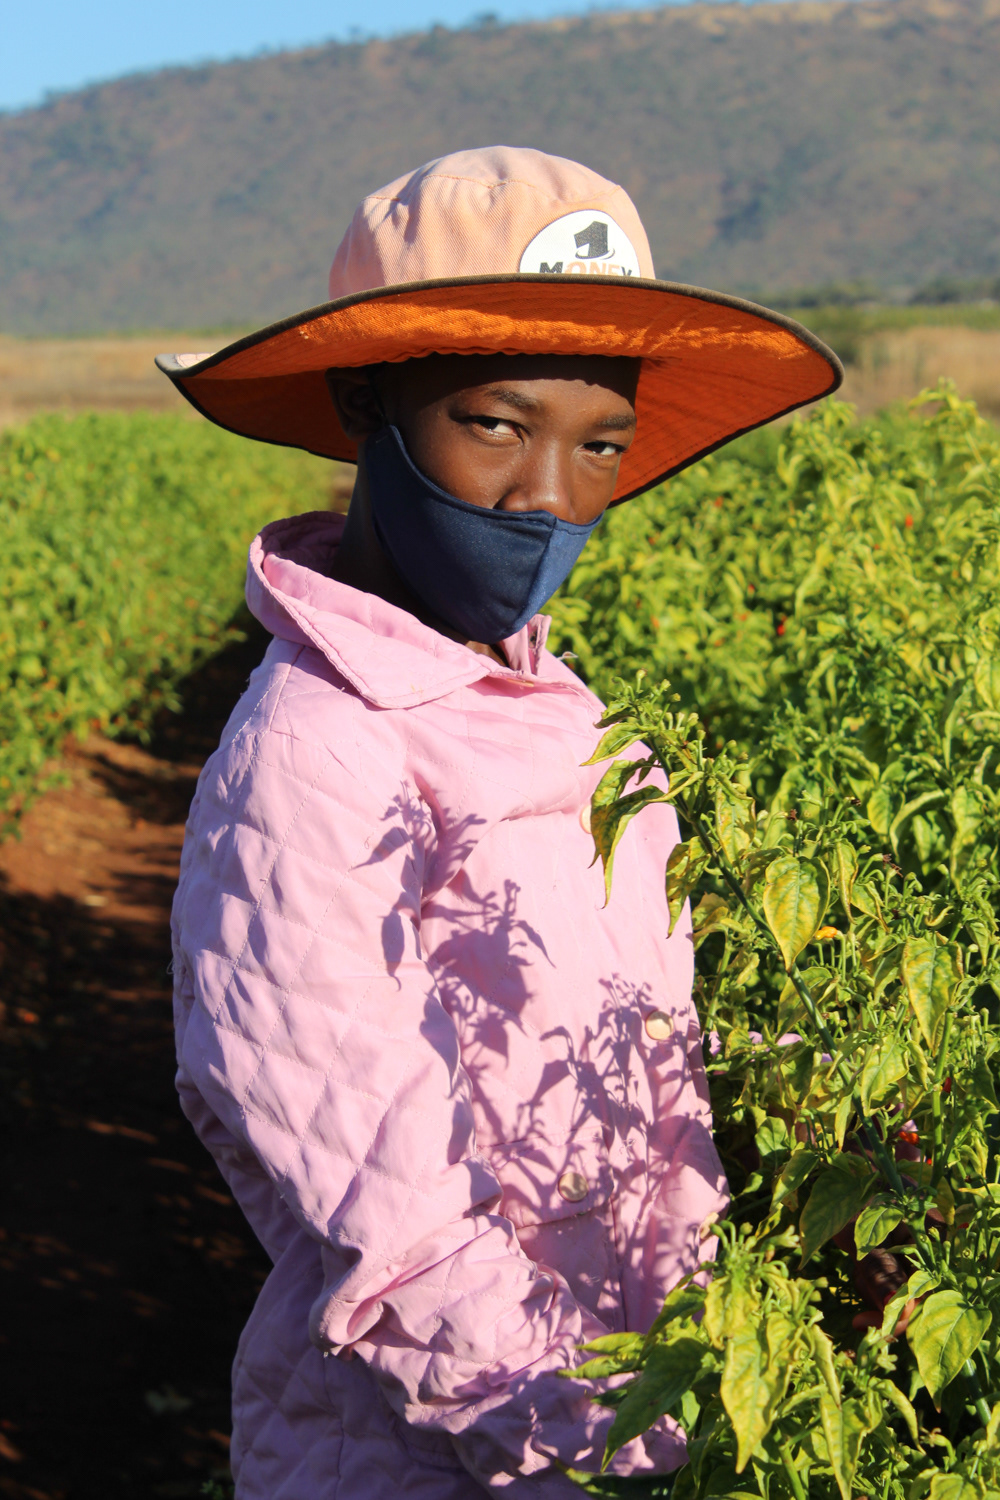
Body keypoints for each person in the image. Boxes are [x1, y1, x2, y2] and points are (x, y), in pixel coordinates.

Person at [159, 146, 840, 1498]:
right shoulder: (313, 757)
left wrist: (830, 1099)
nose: (546, 497)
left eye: (598, 447)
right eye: (494, 425)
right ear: (369, 402)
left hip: (640, 1387)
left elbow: (635, 1025)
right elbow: (395, 1217)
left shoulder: (571, 718)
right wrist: (625, 1446)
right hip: (437, 1452)